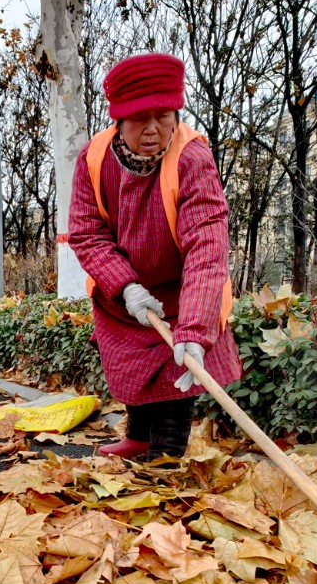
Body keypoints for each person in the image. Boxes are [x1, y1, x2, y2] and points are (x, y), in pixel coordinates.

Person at [67, 53, 241, 461]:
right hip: (123, 288)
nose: (152, 130)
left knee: (178, 368)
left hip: (184, 291)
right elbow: (87, 232)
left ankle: (165, 458)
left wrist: (195, 332)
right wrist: (125, 285)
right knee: (131, 367)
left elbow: (207, 246)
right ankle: (139, 438)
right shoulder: (94, 158)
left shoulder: (193, 158)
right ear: (118, 120)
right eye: (138, 119)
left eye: (162, 116)